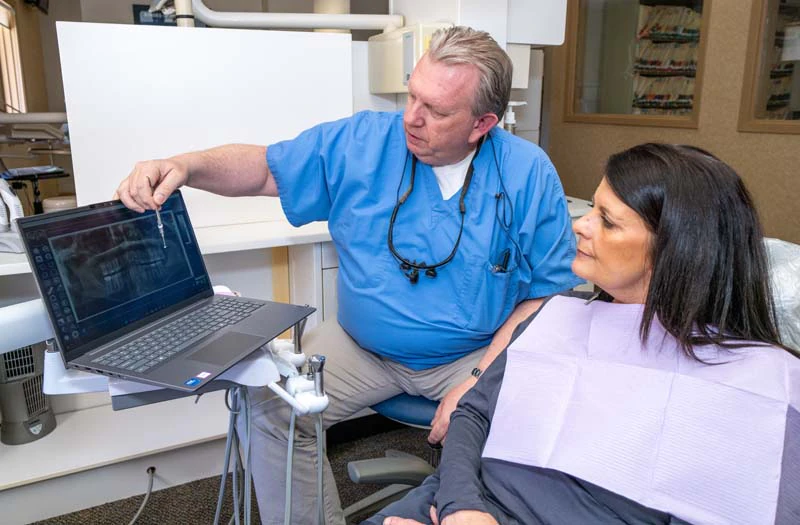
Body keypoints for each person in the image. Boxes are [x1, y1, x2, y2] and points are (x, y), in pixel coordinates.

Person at [115, 26, 581, 524]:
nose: (412, 117)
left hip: (474, 354)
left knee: (532, 437)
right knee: (270, 405)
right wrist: (185, 166)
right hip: (362, 347)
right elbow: (266, 168)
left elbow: (545, 295)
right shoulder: (363, 142)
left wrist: (477, 380)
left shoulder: (528, 173)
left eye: (436, 110)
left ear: (481, 123)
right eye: (412, 95)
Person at [369, 143, 800, 525]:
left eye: (607, 221)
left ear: (676, 248)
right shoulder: (555, 318)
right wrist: (459, 506)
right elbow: (472, 415)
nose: (581, 225)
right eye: (593, 209)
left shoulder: (759, 390)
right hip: (458, 500)